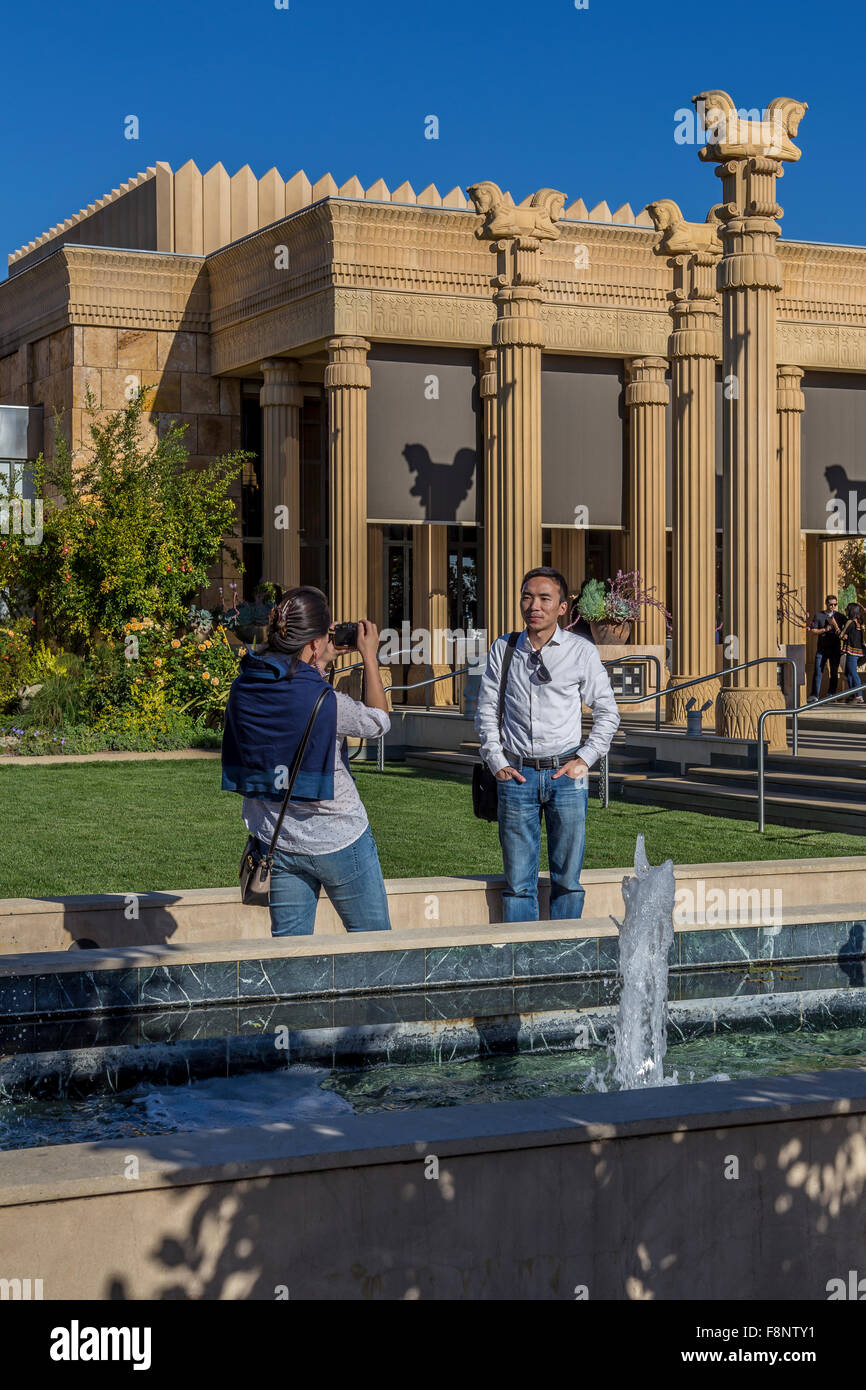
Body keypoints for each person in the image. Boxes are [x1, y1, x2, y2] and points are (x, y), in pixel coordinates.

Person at [222, 586, 392, 935]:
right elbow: (377, 721)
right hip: (339, 839)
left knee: (290, 955)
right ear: (315, 642)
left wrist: (320, 660)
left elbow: (288, 687)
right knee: (374, 945)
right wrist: (369, 656)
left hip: (277, 838)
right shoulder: (326, 701)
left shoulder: (243, 685)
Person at [475, 567, 621, 922]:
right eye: (527, 596)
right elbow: (486, 710)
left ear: (562, 607)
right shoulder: (504, 648)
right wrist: (497, 762)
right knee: (518, 884)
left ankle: (563, 963)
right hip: (517, 777)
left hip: (566, 777)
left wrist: (584, 760)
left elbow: (607, 712)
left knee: (568, 881)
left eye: (544, 598)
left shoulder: (579, 652)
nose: (533, 605)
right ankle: (521, 964)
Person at [808, 594, 844, 702]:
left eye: (835, 604)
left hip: (835, 648)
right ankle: (814, 695)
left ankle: (831, 694)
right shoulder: (819, 615)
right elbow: (813, 631)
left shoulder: (839, 616)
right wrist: (824, 629)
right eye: (830, 604)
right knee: (818, 671)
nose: (833, 606)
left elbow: (844, 631)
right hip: (822, 649)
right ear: (826, 603)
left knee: (834, 672)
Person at [840, 602, 865, 704]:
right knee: (849, 673)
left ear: (850, 610)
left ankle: (859, 696)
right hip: (859, 651)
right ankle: (852, 694)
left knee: (853, 673)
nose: (845, 610)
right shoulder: (858, 622)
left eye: (847, 608)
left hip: (852, 651)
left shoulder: (850, 622)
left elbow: (841, 635)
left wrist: (834, 625)